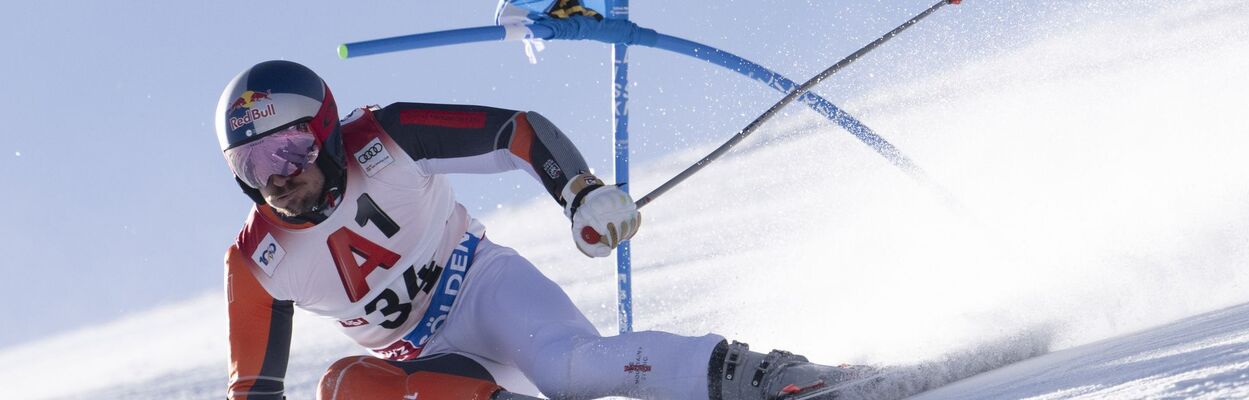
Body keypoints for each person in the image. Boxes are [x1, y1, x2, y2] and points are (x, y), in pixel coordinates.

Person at [218, 60, 867, 400]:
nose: (275, 176)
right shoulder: (258, 262)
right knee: (341, 387)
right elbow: (254, 389)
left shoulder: (384, 137)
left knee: (568, 370)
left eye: (289, 149)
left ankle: (768, 378)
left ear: (327, 130)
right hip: (431, 370)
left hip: (483, 290)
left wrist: (578, 191)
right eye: (250, 163)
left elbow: (515, 131)